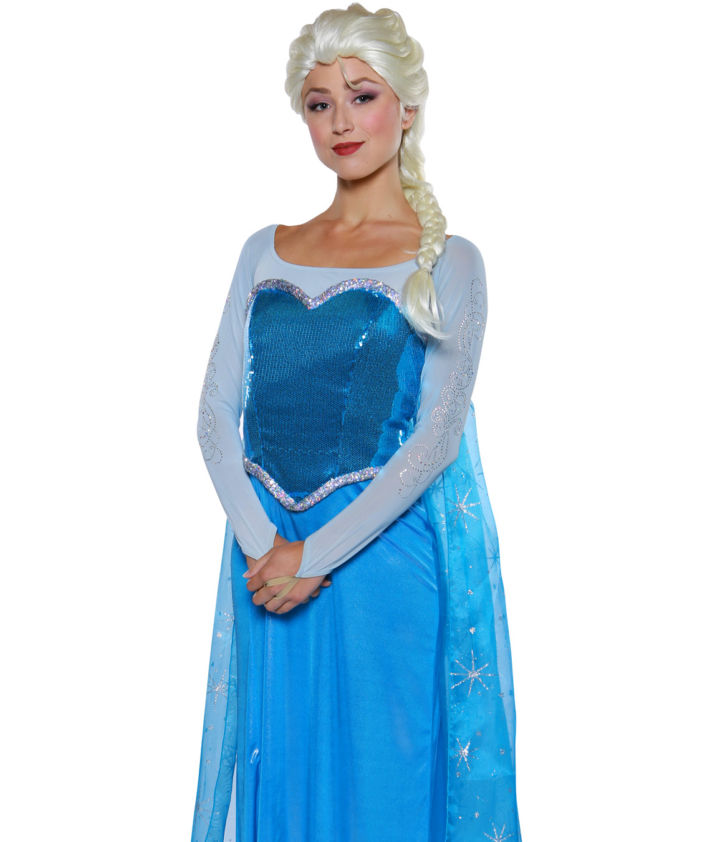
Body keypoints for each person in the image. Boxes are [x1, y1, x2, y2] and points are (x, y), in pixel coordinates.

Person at [191, 4, 522, 841]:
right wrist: (267, 549)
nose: (340, 121)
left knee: (386, 780)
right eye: (319, 103)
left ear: (406, 108)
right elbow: (213, 414)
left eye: (361, 96)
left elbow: (435, 440)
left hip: (379, 562)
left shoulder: (450, 261)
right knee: (281, 769)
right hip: (266, 560)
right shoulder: (263, 249)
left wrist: (312, 556)